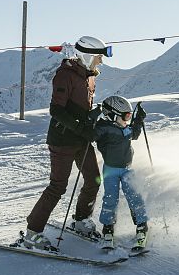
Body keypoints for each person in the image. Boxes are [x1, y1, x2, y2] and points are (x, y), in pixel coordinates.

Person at [22, 36, 112, 250]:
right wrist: (82, 127)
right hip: (63, 139)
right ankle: (32, 232)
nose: (100, 61)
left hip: (81, 139)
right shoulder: (65, 75)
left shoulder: (90, 76)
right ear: (87, 55)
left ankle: (80, 219)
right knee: (58, 186)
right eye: (98, 57)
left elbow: (81, 107)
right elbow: (57, 110)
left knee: (94, 179)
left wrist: (93, 118)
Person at [94, 96, 149, 251]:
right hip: (110, 170)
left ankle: (141, 226)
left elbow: (135, 134)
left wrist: (138, 119)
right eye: (126, 116)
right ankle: (108, 229)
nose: (128, 119)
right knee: (110, 198)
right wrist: (91, 120)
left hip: (127, 168)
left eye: (129, 116)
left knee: (134, 196)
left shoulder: (125, 127)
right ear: (113, 115)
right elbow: (91, 136)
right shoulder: (103, 128)